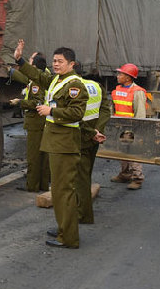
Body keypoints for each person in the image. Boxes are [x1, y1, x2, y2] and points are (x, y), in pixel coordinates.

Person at [14, 39, 88, 249]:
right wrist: (19, 60)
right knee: (58, 190)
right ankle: (64, 228)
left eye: (60, 61)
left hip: (64, 144)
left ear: (72, 64)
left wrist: (51, 111)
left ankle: (69, 237)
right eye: (54, 61)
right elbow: (37, 75)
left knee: (63, 191)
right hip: (56, 141)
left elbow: (77, 112)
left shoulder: (75, 85)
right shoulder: (58, 80)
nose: (56, 64)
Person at [75, 64, 111, 224]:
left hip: (80, 137)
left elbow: (72, 115)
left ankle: (83, 215)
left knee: (80, 179)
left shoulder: (73, 88)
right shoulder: (96, 86)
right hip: (94, 138)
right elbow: (105, 110)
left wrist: (91, 132)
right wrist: (97, 131)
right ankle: (82, 210)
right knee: (86, 175)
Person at [9, 52, 50, 192]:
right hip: (43, 122)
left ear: (34, 66)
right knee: (44, 155)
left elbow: (37, 102)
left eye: (30, 61)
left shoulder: (36, 82)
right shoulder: (44, 78)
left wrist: (20, 102)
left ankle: (32, 185)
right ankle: (43, 184)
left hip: (36, 122)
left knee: (34, 156)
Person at [110, 63, 146, 190]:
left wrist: (135, 130)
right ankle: (125, 174)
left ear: (128, 77)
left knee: (133, 153)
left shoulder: (137, 92)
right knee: (123, 153)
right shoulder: (118, 90)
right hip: (120, 127)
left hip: (131, 128)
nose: (118, 76)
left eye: (121, 74)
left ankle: (137, 178)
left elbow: (140, 113)